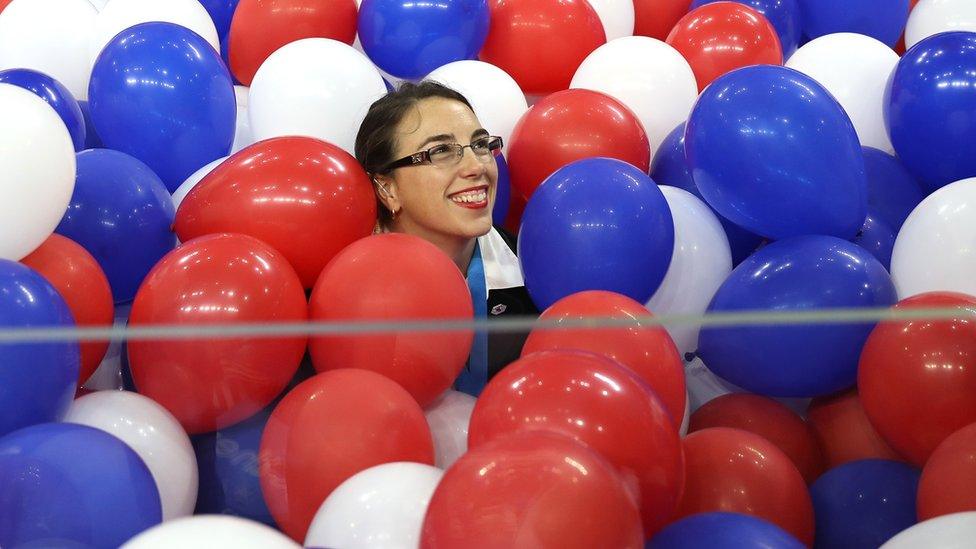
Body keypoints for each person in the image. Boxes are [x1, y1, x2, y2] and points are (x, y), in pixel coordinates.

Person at [354, 81, 538, 396]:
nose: (477, 166)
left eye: (480, 145)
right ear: (388, 189)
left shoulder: (536, 274)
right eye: (441, 151)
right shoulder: (345, 292)